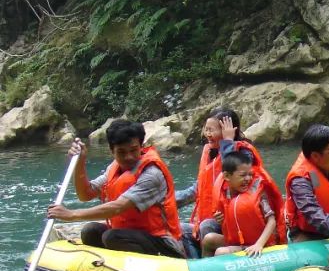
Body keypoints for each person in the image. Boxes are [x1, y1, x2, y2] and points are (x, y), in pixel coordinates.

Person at [47, 120, 185, 257]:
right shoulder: (114, 168)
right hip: (129, 235)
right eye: (121, 152)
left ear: (141, 147)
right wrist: (79, 162)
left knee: (112, 237)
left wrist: (71, 215)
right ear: (112, 151)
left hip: (163, 243)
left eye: (133, 150)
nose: (129, 157)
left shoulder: (152, 174)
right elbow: (86, 194)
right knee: (90, 231)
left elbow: (118, 207)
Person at [175, 107, 263, 256]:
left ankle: (206, 268)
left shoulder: (244, 153)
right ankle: (193, 267)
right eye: (206, 129)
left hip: (238, 221)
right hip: (218, 219)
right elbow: (199, 188)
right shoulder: (210, 152)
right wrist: (168, 201)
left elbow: (234, 177)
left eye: (212, 130)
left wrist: (228, 142)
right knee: (179, 229)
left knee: (206, 226)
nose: (208, 134)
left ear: (227, 130)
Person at [201, 151, 285, 257]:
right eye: (243, 175)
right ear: (227, 176)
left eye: (250, 174)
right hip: (239, 241)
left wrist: (258, 244)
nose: (248, 179)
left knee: (220, 252)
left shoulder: (258, 192)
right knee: (209, 239)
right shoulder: (224, 194)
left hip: (260, 244)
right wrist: (221, 220)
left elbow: (272, 221)